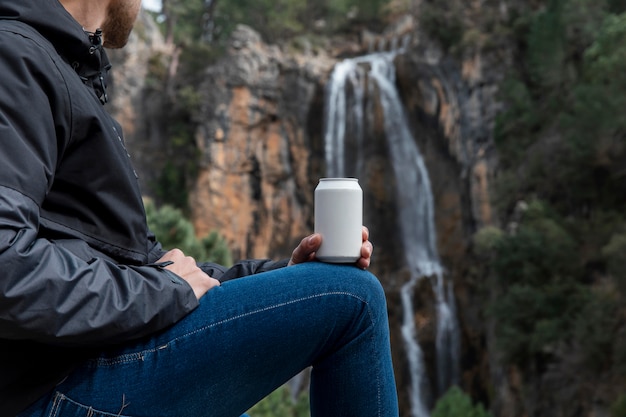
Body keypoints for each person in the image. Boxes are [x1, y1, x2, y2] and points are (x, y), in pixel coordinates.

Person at [0, 0, 400, 416]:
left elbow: (153, 268)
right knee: (354, 298)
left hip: (79, 370)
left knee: (330, 283)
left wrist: (288, 274)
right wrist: (164, 290)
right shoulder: (16, 57)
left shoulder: (61, 70)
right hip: (48, 392)